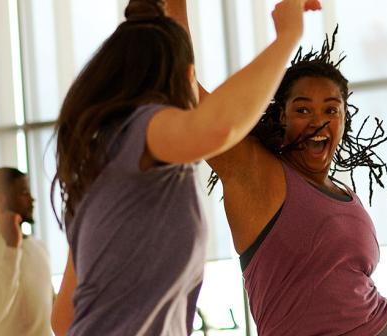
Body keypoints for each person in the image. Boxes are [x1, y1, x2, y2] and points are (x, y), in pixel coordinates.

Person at [49, 0, 321, 334]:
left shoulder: (100, 167)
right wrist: (288, 36)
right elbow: (218, 126)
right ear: (182, 79)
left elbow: (63, 319)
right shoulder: (136, 132)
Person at [187, 15, 387, 333]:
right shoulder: (259, 176)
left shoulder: (346, 196)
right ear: (282, 117)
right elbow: (187, 89)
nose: (317, 121)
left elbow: (358, 303)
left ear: (344, 119)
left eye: (331, 110)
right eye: (303, 110)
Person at [0, 167, 53, 336]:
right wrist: (12, 248)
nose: (32, 199)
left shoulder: (40, 247)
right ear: (1, 200)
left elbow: (49, 305)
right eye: (23, 192)